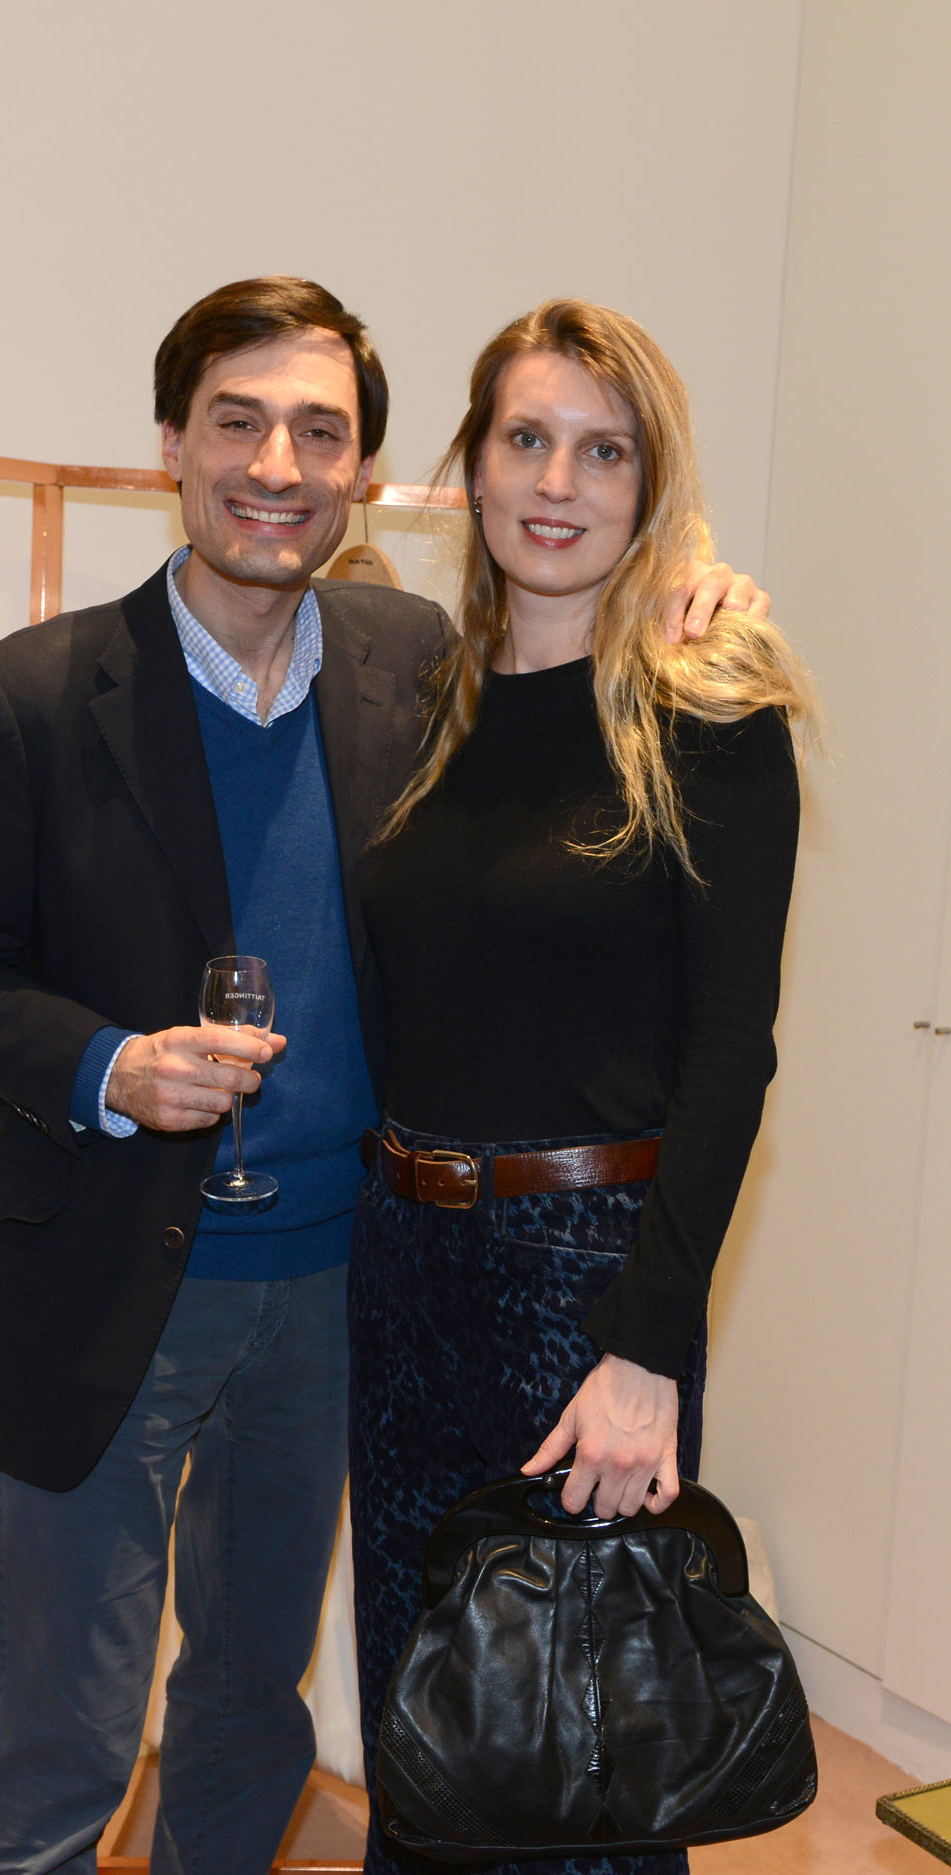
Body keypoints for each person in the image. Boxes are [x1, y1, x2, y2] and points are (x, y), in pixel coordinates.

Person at [0, 277, 766, 1875]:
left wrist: (694, 584)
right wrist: (106, 1064)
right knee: (68, 1737)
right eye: (239, 421)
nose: (276, 465)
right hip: (116, 1284)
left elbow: (658, 927)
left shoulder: (411, 668)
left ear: (368, 474)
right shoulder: (34, 696)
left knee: (256, 1702)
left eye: (319, 431)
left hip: (349, 1288)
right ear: (172, 443)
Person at [349, 298, 816, 1875]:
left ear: (650, 486)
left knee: (576, 1778)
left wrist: (647, 1348)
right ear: (473, 467)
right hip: (400, 1271)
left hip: (584, 1289)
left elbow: (732, 1051)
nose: (559, 483)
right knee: (427, 1742)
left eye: (604, 452)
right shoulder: (426, 705)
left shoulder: (709, 710)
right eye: (527, 439)